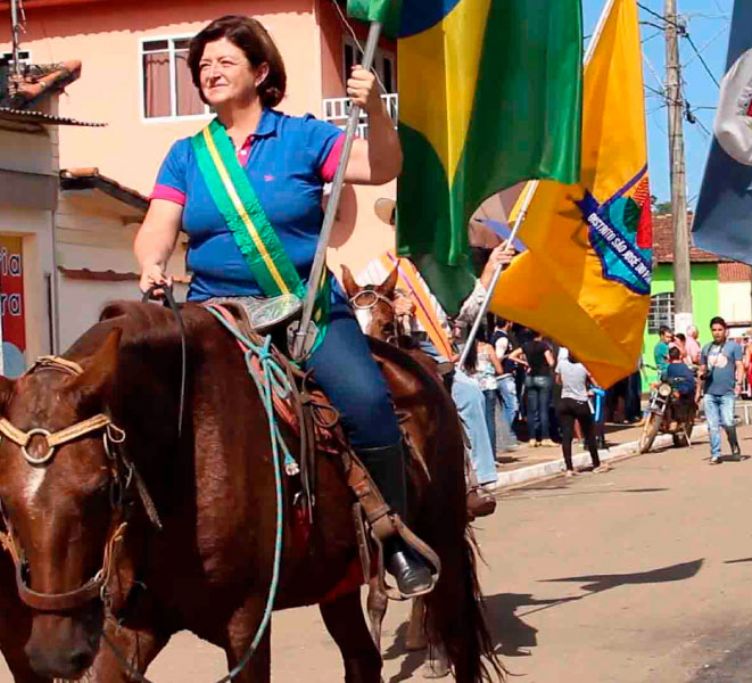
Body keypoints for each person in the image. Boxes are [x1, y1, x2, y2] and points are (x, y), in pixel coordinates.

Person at [134, 16, 430, 593]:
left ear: (261, 71)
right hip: (214, 315)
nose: (208, 72)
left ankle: (392, 534)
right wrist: (151, 262)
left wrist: (377, 111)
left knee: (367, 401)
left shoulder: (306, 137)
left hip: (304, 309)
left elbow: (383, 166)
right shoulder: (187, 155)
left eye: (224, 61)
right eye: (203, 65)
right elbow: (158, 228)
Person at [359, 229, 516, 501]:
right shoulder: (378, 266)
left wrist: (491, 269)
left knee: (469, 394)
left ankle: (477, 482)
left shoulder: (442, 269)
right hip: (400, 348)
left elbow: (468, 311)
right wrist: (392, 304)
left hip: (438, 352)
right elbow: (362, 301)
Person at [699, 317, 745, 464]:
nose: (717, 333)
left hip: (727, 392)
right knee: (712, 425)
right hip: (709, 392)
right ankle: (716, 454)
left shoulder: (733, 347)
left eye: (720, 330)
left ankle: (734, 444)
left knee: (728, 421)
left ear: (725, 331)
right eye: (714, 330)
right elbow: (702, 368)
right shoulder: (706, 348)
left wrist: (739, 383)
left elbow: (739, 366)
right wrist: (699, 386)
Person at [555, 352, 607, 477]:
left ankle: (569, 468)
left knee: (567, 436)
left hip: (565, 401)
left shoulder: (561, 364)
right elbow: (595, 382)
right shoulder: (584, 366)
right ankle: (596, 464)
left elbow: (558, 381)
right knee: (589, 434)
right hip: (580, 402)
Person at [510, 330, 557, 447]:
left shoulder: (526, 346)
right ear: (539, 335)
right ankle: (545, 437)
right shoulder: (544, 346)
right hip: (543, 377)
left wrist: (525, 363)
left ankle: (532, 438)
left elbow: (511, 356)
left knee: (531, 410)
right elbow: (551, 362)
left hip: (530, 378)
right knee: (543, 409)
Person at [464, 329, 503, 459]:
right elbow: (499, 369)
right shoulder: (488, 348)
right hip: (489, 386)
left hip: (473, 388)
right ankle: (492, 455)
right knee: (489, 421)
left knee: (475, 421)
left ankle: (478, 455)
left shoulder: (467, 349)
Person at [491, 317, 520, 430]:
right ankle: (505, 433)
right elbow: (498, 358)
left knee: (504, 405)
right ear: (508, 323)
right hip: (504, 376)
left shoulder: (493, 336)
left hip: (498, 377)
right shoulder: (502, 339)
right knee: (512, 406)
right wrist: (510, 355)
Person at [662, 347, 697, 432]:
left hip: (683, 395)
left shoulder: (670, 367)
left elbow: (667, 378)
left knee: (674, 402)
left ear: (669, 357)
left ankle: (674, 421)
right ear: (680, 356)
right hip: (683, 392)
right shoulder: (685, 367)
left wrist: (679, 390)